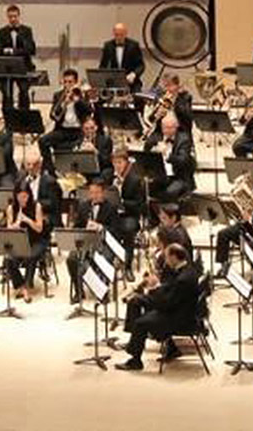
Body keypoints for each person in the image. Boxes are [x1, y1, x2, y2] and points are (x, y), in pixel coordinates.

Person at [114, 243, 201, 371]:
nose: (165, 260)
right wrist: (155, 291)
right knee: (139, 303)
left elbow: (168, 304)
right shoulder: (186, 269)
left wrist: (153, 293)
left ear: (173, 257)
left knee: (141, 323)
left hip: (180, 318)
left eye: (166, 257)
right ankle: (168, 347)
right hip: (181, 310)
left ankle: (135, 361)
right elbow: (171, 289)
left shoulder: (183, 279)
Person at [66, 179, 119, 303]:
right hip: (86, 241)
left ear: (103, 193)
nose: (94, 196)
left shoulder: (111, 208)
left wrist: (101, 227)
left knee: (104, 259)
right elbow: (77, 227)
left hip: (104, 243)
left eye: (97, 193)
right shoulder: (84, 206)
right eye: (91, 193)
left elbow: (116, 231)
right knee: (72, 259)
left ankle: (103, 291)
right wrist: (83, 228)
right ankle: (79, 292)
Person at [39, 69, 93, 172]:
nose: (67, 85)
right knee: (43, 141)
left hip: (78, 131)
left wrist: (77, 101)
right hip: (62, 130)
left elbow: (89, 111)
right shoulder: (58, 95)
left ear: (76, 82)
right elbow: (53, 115)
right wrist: (64, 104)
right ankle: (50, 168)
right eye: (65, 82)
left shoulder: (82, 95)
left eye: (70, 82)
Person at [4, 184, 48, 302]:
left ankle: (27, 286)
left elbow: (39, 228)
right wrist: (16, 225)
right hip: (19, 241)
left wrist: (27, 220)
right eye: (20, 197)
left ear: (29, 195)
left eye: (25, 196)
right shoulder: (11, 208)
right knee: (8, 259)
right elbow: (8, 229)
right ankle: (20, 286)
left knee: (31, 255)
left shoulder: (36, 206)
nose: (23, 199)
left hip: (36, 240)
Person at [144, 115, 196, 206]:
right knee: (144, 190)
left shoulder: (184, 139)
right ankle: (153, 217)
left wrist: (168, 154)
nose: (166, 130)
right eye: (164, 127)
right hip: (160, 177)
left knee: (167, 193)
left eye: (169, 128)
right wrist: (153, 150)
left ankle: (169, 216)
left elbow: (183, 160)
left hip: (178, 178)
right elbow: (146, 148)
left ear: (176, 127)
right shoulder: (157, 136)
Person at [0, 4, 37, 111]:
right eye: (10, 16)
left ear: (19, 16)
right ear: (7, 17)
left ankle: (24, 116)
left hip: (24, 67)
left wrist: (12, 51)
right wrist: (19, 52)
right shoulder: (1, 32)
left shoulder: (26, 31)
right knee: (7, 94)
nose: (13, 19)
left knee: (24, 92)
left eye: (15, 16)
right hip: (7, 68)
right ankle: (8, 117)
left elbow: (31, 50)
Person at [112, 150, 144, 276]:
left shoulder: (135, 180)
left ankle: (127, 266)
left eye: (120, 162)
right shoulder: (110, 177)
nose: (117, 166)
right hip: (113, 215)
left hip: (129, 215)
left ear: (126, 163)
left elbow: (139, 205)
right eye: (115, 163)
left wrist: (121, 202)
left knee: (128, 230)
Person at [99, 23, 145, 101]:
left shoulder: (133, 45)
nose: (119, 37)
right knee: (101, 99)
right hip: (114, 81)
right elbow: (103, 65)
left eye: (121, 35)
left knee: (139, 99)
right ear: (113, 33)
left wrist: (133, 74)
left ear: (125, 33)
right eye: (117, 35)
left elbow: (141, 65)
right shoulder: (108, 46)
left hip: (131, 82)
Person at [18, 151, 63, 227]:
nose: (31, 167)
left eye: (34, 164)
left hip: (45, 214)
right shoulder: (21, 180)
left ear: (40, 165)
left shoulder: (50, 182)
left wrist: (33, 204)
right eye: (28, 164)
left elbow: (52, 203)